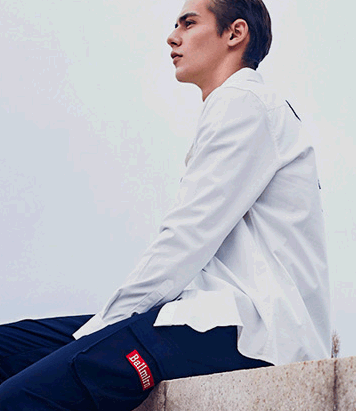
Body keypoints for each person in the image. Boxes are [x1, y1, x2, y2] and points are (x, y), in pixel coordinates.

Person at [0, 0, 330, 409]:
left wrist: (104, 328)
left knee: (17, 399)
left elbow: (185, 239)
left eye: (189, 23)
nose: (172, 37)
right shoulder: (244, 107)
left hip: (245, 332)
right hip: (198, 317)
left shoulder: (244, 102)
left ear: (235, 33)